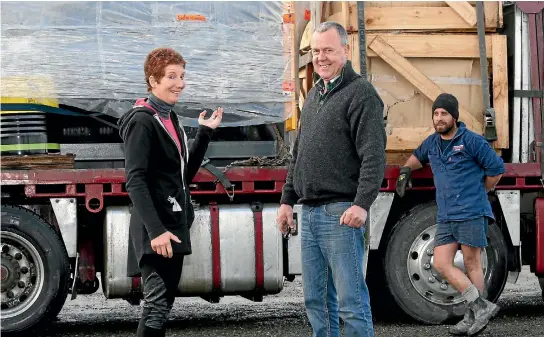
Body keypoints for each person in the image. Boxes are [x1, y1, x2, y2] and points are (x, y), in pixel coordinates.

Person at [277, 21, 386, 337]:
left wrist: (361, 204)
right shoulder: (313, 94)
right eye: (315, 51)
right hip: (309, 215)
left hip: (340, 215)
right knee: (317, 303)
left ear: (345, 50)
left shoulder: (361, 94)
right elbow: (299, 156)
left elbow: (374, 156)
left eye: (328, 50)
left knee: (351, 304)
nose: (320, 57)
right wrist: (287, 201)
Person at [118, 47, 223, 337]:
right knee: (155, 307)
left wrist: (204, 133)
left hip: (172, 225)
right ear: (153, 80)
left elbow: (182, 176)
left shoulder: (170, 118)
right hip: (157, 229)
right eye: (172, 76)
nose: (180, 83)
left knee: (163, 307)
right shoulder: (142, 121)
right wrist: (156, 232)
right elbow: (135, 181)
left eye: (182, 76)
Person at [395, 93, 505, 336]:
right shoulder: (432, 143)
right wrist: (405, 170)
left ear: (454, 116)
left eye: (444, 113)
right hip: (446, 214)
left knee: (471, 263)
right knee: (441, 263)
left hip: (471, 211)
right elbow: (417, 157)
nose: (439, 118)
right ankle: (479, 307)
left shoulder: (471, 141)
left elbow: (497, 169)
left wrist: (481, 190)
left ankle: (472, 316)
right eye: (435, 114)